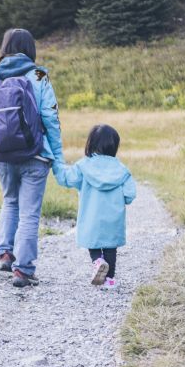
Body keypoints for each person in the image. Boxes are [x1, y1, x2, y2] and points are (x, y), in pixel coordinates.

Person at [0, 28, 65, 288]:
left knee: (10, 201)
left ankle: (5, 253)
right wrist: (58, 158)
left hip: (2, 155)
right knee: (30, 213)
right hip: (36, 154)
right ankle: (23, 270)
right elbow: (51, 119)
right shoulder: (39, 75)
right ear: (31, 48)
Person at [54, 124, 137, 289]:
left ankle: (98, 261)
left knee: (93, 243)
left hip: (91, 217)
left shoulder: (83, 166)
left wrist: (56, 165)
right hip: (113, 219)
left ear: (91, 144)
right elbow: (129, 195)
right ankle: (110, 280)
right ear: (115, 146)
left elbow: (67, 179)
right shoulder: (121, 169)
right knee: (110, 247)